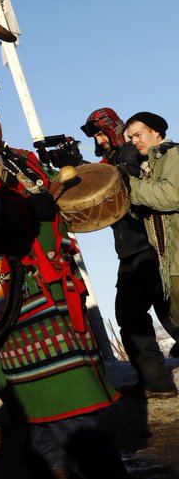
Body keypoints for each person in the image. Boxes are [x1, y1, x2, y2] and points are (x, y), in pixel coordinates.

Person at [0, 96, 148, 479]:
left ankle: (52, 475)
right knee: (62, 395)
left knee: (43, 401)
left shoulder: (20, 159)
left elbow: (62, 191)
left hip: (58, 287)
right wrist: (24, 211)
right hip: (16, 295)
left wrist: (74, 172)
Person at [81, 108, 178, 397]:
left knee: (162, 315)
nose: (99, 141)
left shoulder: (136, 153)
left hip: (149, 247)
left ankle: (156, 381)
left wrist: (110, 175)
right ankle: (155, 381)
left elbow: (146, 187)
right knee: (145, 313)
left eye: (101, 134)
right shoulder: (119, 158)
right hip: (133, 248)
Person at [125, 112, 179, 326]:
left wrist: (130, 186)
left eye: (138, 135)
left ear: (156, 132)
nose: (134, 141)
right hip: (169, 263)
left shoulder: (173, 154)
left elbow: (172, 196)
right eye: (131, 137)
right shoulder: (146, 167)